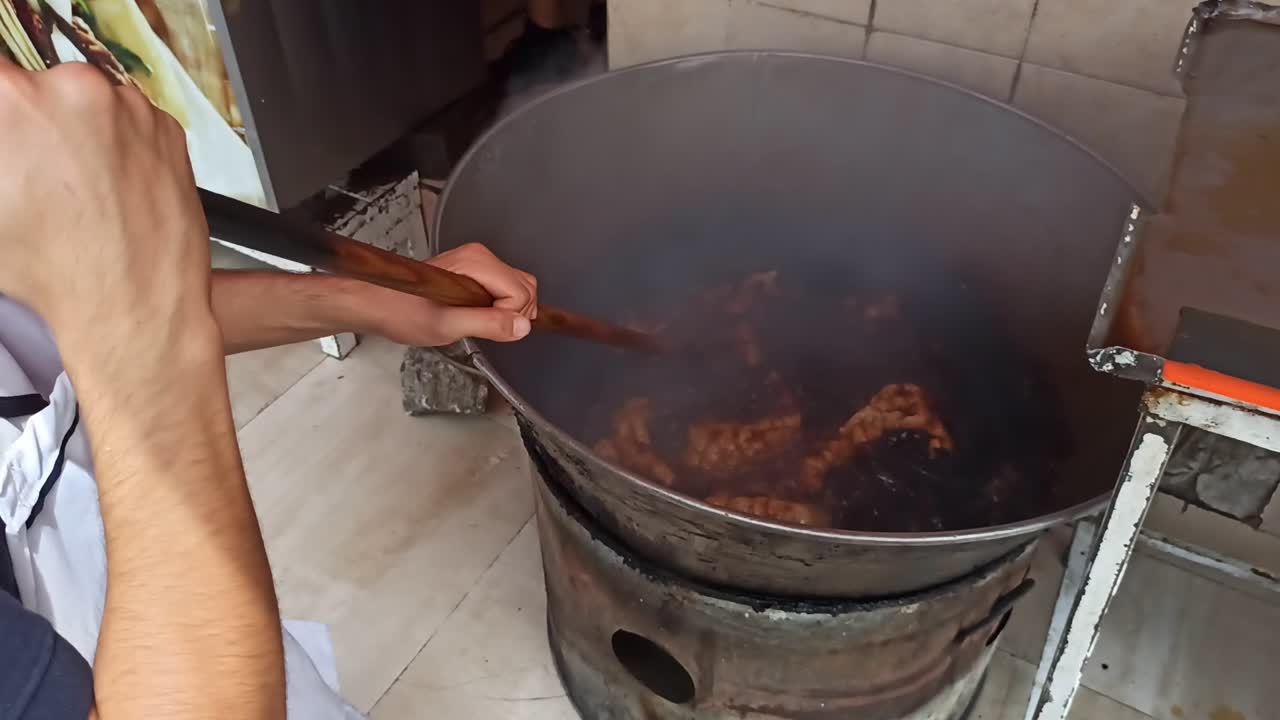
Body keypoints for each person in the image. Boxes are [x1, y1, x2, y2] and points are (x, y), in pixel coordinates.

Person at [0, 60, 537, 718]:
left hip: (187, 618)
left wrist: (369, 301)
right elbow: (127, 320)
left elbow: (51, 321)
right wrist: (138, 333)